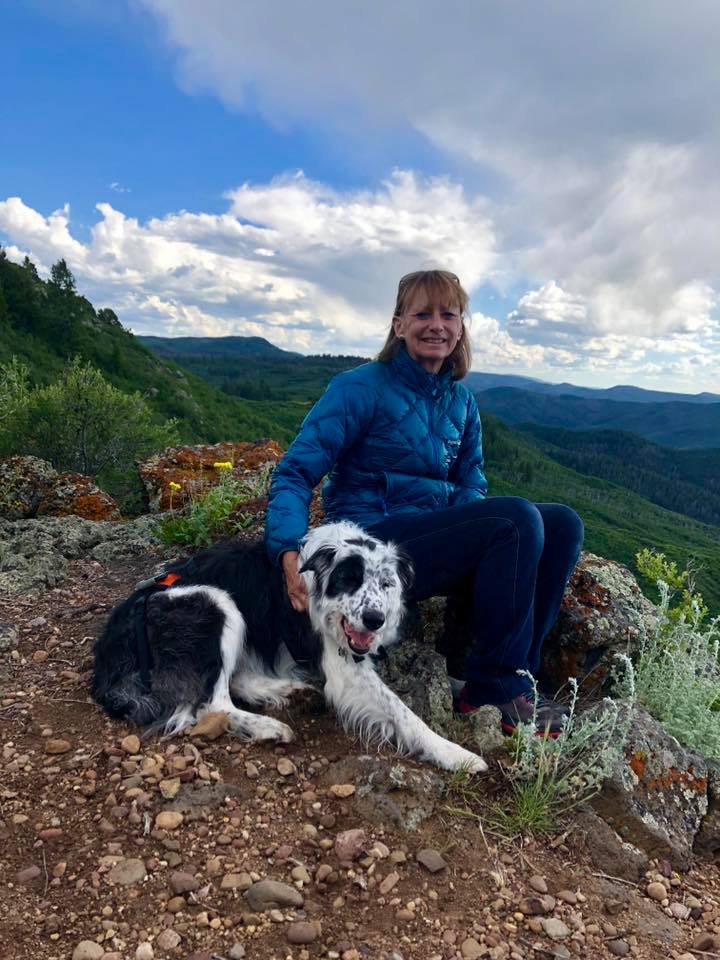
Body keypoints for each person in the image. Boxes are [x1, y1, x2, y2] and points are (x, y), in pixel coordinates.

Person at [264, 269, 584, 735]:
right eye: (422, 313)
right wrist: (288, 549)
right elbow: (294, 473)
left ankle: (518, 676)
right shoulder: (358, 388)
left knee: (561, 524)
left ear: (460, 327)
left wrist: (467, 531)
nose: (436, 324)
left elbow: (472, 482)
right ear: (398, 325)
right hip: (374, 544)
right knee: (515, 518)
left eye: (448, 314)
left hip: (429, 540)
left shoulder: (462, 403)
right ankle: (494, 686)